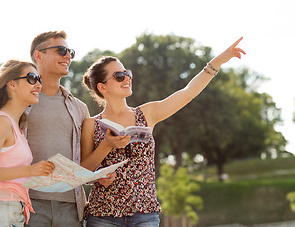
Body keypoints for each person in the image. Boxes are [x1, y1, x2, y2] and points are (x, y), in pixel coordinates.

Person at [81, 37, 246, 226]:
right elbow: (84, 173)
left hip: (144, 214)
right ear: (102, 87)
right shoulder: (91, 124)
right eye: (119, 76)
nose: (127, 78)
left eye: (127, 73)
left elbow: (187, 92)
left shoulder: (147, 113)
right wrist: (106, 146)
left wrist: (218, 61)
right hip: (103, 214)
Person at [0, 30, 90, 226]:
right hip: (26, 204)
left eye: (70, 52)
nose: (67, 56)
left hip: (68, 205)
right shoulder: (15, 107)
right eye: (61, 50)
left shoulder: (79, 108)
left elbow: (83, 161)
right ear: (38, 55)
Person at [0, 60, 56, 226]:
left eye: (39, 79)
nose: (38, 84)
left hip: (8, 209)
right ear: (12, 84)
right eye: (31, 78)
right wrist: (30, 170)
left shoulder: (14, 125)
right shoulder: (2, 121)